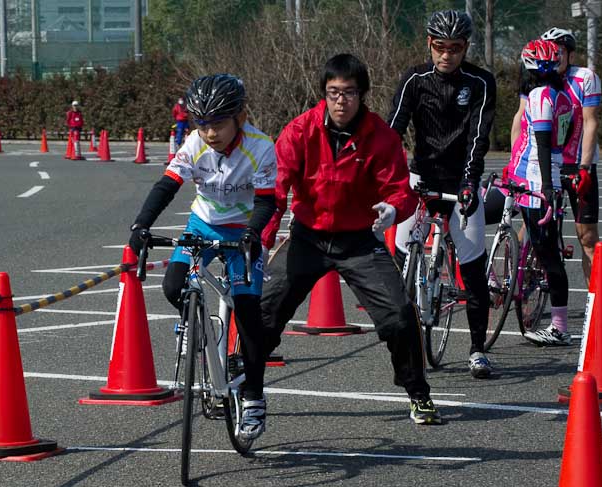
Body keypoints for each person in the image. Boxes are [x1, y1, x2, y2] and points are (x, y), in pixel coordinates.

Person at [261, 53, 442, 425]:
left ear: (363, 95)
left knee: (400, 315)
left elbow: (400, 192)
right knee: (264, 309)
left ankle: (417, 393)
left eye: (349, 92)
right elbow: (275, 190)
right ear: (324, 94)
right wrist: (260, 238)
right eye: (333, 92)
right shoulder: (299, 130)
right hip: (307, 237)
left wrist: (394, 211)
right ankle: (244, 383)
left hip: (359, 240)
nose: (341, 100)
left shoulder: (381, 136)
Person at [129, 74, 276, 441]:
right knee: (172, 285)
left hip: (244, 228)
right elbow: (167, 185)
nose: (210, 132)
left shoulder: (260, 147)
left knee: (247, 315)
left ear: (239, 117)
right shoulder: (194, 143)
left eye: (218, 123)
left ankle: (255, 397)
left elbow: (266, 201)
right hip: (204, 224)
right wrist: (141, 224)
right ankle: (197, 323)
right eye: (203, 123)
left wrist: (252, 234)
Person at [387, 10, 496, 379]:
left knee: (473, 265)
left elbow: (478, 139)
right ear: (429, 45)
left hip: (461, 179)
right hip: (421, 177)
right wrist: (389, 176)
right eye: (439, 47)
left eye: (455, 48)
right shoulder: (415, 79)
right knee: (400, 255)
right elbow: (392, 132)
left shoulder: (481, 82)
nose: (446, 55)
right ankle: (403, 339)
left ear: (465, 48)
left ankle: (478, 348)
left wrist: (469, 183)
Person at [510, 27, 601, 287]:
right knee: (529, 224)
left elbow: (590, 121)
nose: (553, 57)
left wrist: (584, 166)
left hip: (577, 165)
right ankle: (515, 284)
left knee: (587, 237)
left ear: (570, 54)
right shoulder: (536, 78)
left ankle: (595, 304)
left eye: (559, 51)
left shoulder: (585, 78)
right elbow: (520, 117)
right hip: (542, 166)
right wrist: (514, 163)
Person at [504, 40, 574, 346]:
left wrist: (546, 187)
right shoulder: (562, 96)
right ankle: (502, 279)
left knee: (549, 257)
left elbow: (544, 144)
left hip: (535, 180)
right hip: (531, 175)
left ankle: (559, 326)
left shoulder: (540, 95)